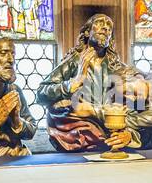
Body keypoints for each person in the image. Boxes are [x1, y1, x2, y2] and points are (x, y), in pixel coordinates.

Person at [36, 13, 129, 151]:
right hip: (80, 132)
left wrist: (129, 132)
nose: (105, 28)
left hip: (110, 130)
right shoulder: (75, 60)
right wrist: (72, 83)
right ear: (87, 32)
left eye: (109, 26)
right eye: (99, 23)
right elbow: (41, 94)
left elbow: (131, 103)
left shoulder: (116, 67)